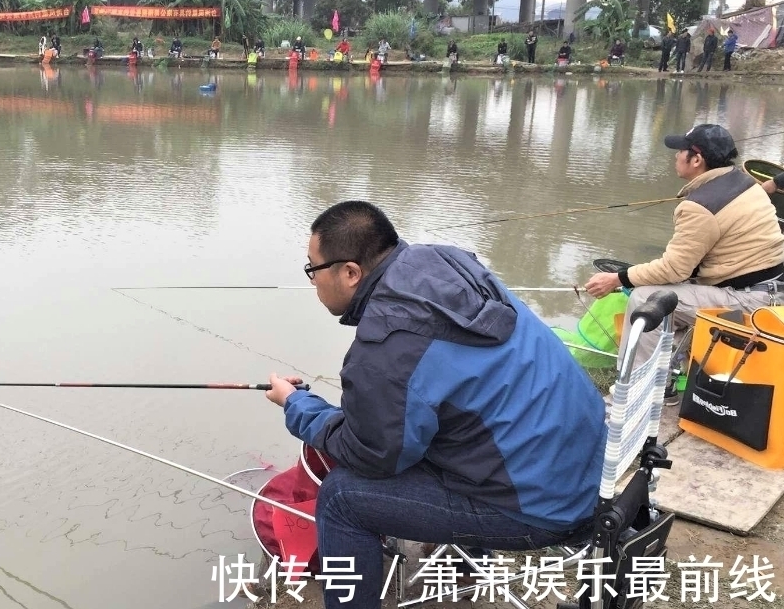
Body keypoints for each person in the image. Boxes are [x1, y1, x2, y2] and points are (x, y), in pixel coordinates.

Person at [266, 201, 608, 609]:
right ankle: (465, 565)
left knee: (342, 499)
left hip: (544, 507)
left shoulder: (386, 347)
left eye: (313, 269)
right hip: (589, 468)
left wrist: (297, 405)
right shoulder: (446, 262)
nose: (312, 282)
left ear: (351, 272)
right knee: (441, 420)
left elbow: (371, 454)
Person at [585, 124, 784, 404]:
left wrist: (618, 278)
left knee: (648, 298)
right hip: (769, 289)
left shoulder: (700, 206)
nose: (676, 156)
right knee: (672, 290)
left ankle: (635, 394)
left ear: (696, 160)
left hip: (750, 300)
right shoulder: (744, 182)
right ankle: (664, 379)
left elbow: (674, 269)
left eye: (680, 151)